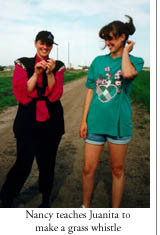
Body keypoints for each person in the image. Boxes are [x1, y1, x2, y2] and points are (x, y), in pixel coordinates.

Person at [79, 15, 144, 208]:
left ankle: (115, 214)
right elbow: (90, 92)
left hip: (119, 124)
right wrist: (84, 121)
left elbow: (127, 74)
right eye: (106, 39)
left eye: (112, 38)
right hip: (95, 123)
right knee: (87, 169)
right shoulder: (98, 61)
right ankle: (85, 208)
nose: (108, 43)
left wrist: (126, 52)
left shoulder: (136, 61)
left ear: (123, 37)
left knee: (117, 170)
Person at [0, 31, 66, 208]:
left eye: (49, 45)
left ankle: (45, 200)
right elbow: (23, 94)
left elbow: (55, 95)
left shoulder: (58, 66)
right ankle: (6, 196)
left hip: (52, 122)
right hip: (27, 120)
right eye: (42, 43)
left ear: (52, 47)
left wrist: (50, 74)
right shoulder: (24, 64)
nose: (45, 47)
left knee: (47, 163)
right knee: (23, 161)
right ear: (36, 43)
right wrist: (36, 74)